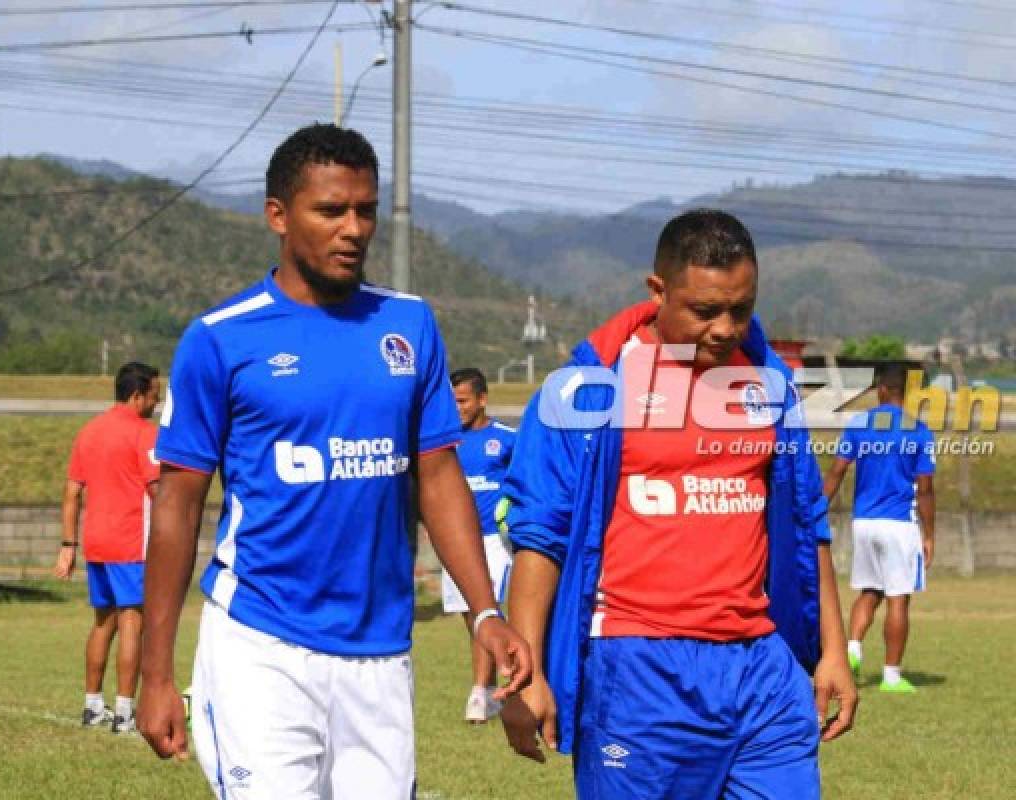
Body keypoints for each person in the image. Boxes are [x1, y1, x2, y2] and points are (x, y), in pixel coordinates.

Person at [138, 123, 532, 798]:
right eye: (330, 211)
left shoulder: (409, 326)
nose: (354, 228)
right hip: (260, 643)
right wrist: (155, 674)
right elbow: (177, 504)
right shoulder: (221, 339)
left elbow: (438, 477)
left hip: (381, 653)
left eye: (366, 210)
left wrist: (486, 613)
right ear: (278, 216)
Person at [498, 210, 858, 799]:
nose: (724, 328)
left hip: (761, 668)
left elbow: (804, 524)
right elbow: (542, 535)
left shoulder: (766, 383)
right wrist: (528, 672)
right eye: (704, 310)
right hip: (639, 666)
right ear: (658, 291)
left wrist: (834, 653)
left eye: (740, 309)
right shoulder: (587, 390)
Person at [54, 362, 161, 733]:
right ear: (137, 396)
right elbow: (156, 489)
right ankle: (125, 711)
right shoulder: (145, 434)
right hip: (131, 539)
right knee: (133, 620)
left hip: (96, 541)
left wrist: (68, 544)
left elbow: (71, 492)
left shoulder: (89, 431)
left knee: (103, 621)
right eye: (153, 397)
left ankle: (92, 705)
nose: (156, 404)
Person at [824, 364, 936, 694]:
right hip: (899, 524)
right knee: (898, 599)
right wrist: (929, 534)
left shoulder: (860, 425)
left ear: (882, 389)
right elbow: (926, 489)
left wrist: (817, 509)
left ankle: (853, 647)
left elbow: (836, 472)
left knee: (870, 591)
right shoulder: (918, 430)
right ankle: (891, 676)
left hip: (864, 523)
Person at [443, 367, 517, 723]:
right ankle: (489, 688)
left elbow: (526, 482)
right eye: (451, 401)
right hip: (457, 539)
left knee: (484, 610)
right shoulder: (444, 441)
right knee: (469, 615)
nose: (456, 408)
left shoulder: (506, 439)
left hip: (493, 540)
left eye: (462, 401)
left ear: (482, 400)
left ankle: (479, 692)